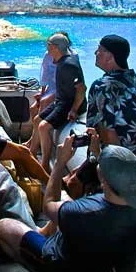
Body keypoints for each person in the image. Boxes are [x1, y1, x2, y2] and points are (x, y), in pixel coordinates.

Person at [0, 134, 136, 272]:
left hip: (62, 270)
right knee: (66, 201)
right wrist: (95, 156)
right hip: (95, 271)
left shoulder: (85, 213)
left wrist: (59, 163)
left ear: (105, 182)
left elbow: (48, 206)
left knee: (2, 227)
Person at [65, 34, 136, 199]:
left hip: (124, 162)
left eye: (99, 50)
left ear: (109, 56)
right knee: (74, 173)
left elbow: (108, 136)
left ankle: (72, 217)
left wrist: (97, 164)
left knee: (73, 183)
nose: (95, 53)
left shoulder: (102, 87)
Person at [32, 33, 87, 172]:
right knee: (37, 119)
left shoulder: (69, 65)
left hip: (67, 104)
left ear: (55, 48)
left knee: (43, 127)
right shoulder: (61, 61)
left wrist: (74, 109)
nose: (47, 49)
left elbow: (81, 89)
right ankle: (32, 152)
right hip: (60, 101)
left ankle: (44, 164)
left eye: (49, 46)